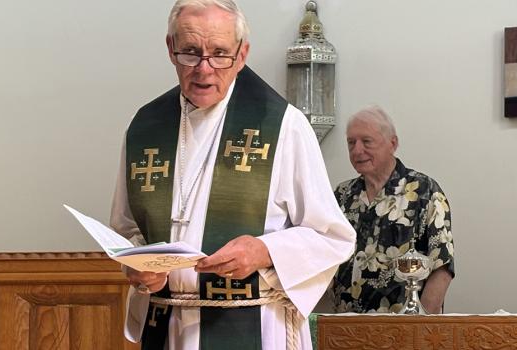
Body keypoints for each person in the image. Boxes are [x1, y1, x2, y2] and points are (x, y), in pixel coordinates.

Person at [109, 1, 356, 349]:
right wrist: (138, 267)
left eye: (220, 53)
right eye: (191, 53)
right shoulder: (145, 127)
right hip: (167, 327)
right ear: (170, 49)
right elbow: (127, 229)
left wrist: (264, 250)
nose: (204, 69)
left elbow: (332, 237)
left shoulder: (283, 126)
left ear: (242, 55)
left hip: (254, 325)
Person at [329, 105, 454, 314]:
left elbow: (442, 266)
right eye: (351, 143)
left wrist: (422, 328)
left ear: (392, 143)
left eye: (366, 141)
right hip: (344, 327)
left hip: (404, 327)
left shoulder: (425, 191)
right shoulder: (342, 194)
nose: (357, 150)